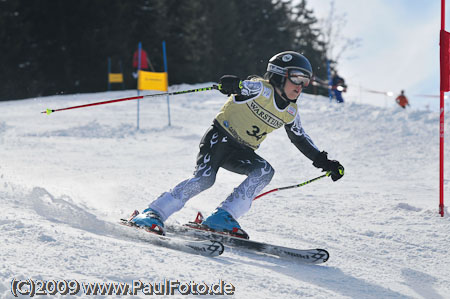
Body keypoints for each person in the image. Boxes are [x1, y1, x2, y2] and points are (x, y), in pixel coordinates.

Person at [130, 51, 344, 237]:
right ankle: (152, 213)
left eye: (305, 81)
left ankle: (223, 217)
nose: (301, 86)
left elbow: (300, 139)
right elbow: (240, 86)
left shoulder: (290, 112)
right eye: (297, 78)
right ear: (279, 75)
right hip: (219, 139)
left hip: (241, 151)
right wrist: (232, 84)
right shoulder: (260, 89)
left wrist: (324, 162)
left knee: (264, 171)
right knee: (205, 179)